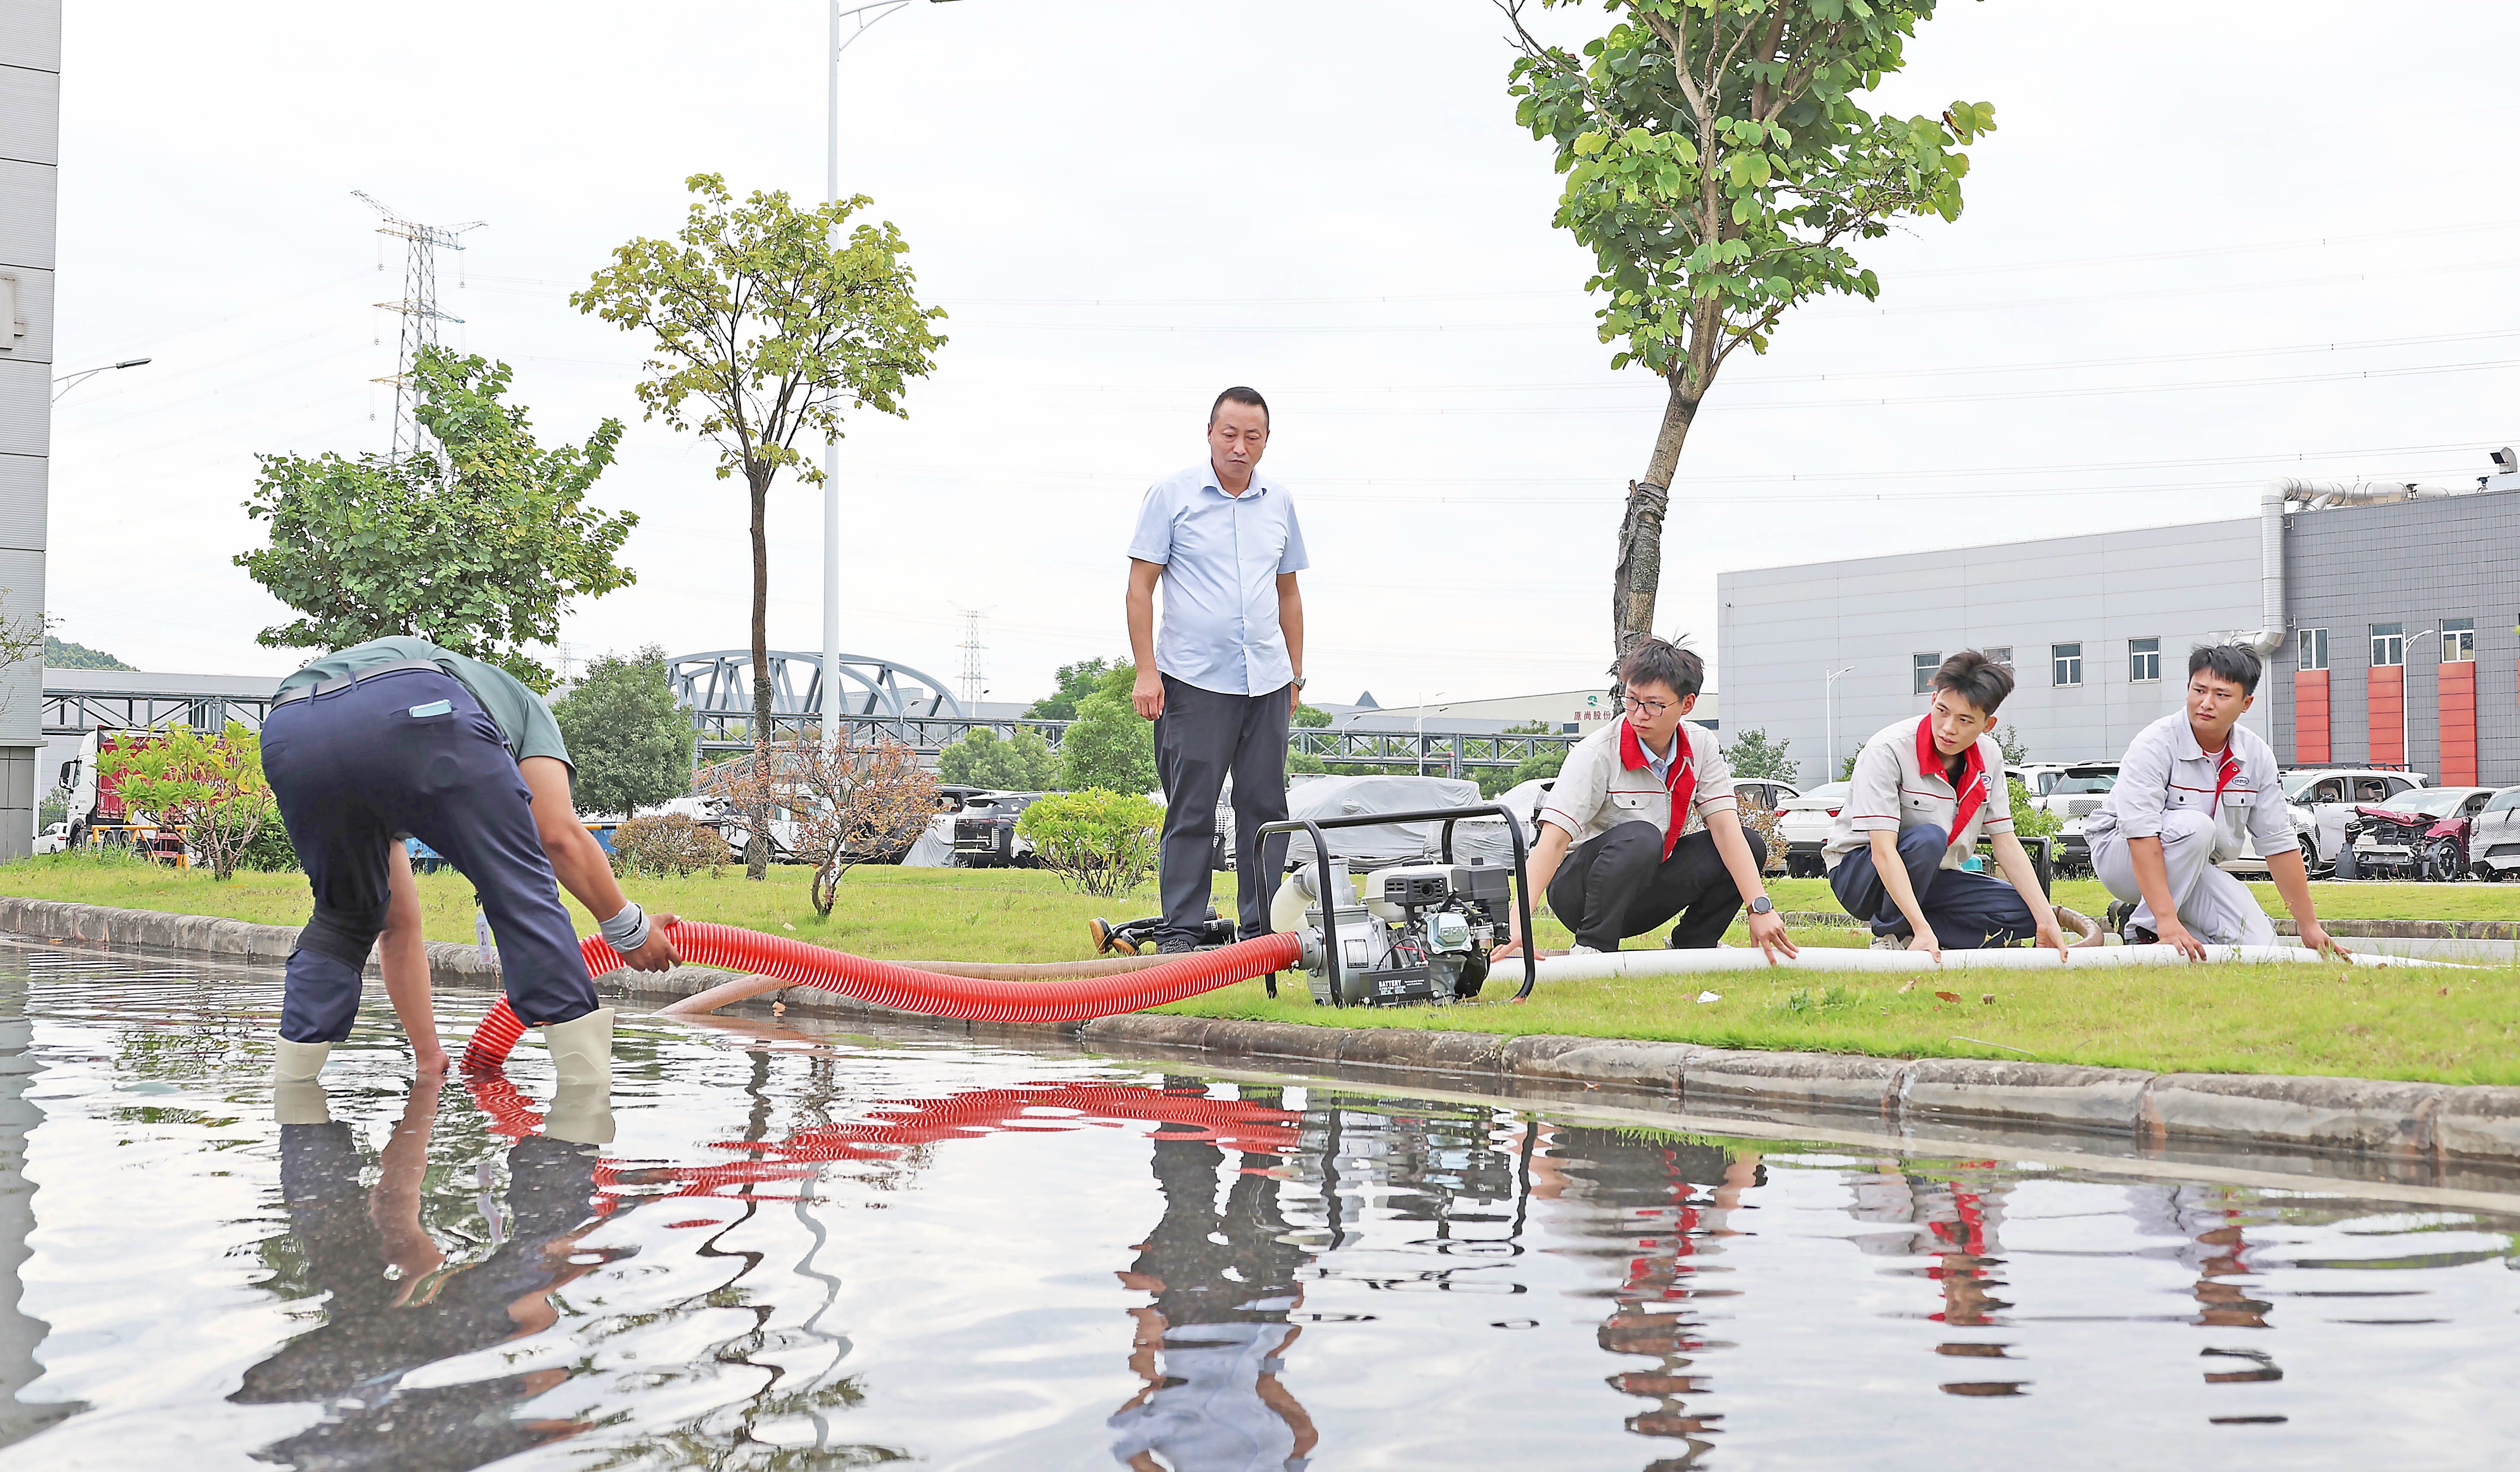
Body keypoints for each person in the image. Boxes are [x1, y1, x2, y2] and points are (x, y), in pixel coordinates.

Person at [259, 635, 681, 1092]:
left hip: (292, 729)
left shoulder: (380, 762)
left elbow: (396, 926)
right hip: (420, 708)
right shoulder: (527, 706)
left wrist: (429, 1057)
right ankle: (586, 1111)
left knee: (347, 915)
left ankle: (292, 1096)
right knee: (519, 892)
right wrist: (630, 930)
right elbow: (557, 834)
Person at [1126, 386, 1308, 952]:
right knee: (1192, 807)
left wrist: (1295, 676)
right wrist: (1146, 672)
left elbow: (1289, 594)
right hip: (1192, 681)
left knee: (1265, 809)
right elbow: (1140, 588)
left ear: (1265, 441)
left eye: (1251, 437)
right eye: (1229, 434)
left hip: (1267, 682)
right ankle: (1180, 932)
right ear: (1209, 433)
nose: (1239, 446)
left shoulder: (1278, 502)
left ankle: (1259, 932)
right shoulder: (1171, 496)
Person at [1495, 639, 1794, 960]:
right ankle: (1593, 948)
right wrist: (1516, 925)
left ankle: (1694, 944)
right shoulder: (1596, 753)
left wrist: (1759, 907)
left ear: (1687, 704)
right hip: (1580, 894)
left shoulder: (1702, 745)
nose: (1639, 714)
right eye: (1632, 700)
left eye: (1653, 704)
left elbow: (1725, 830)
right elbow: (1551, 844)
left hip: (1644, 889)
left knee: (1749, 843)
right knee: (1641, 836)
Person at [2087, 643, 2346, 958]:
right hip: (2123, 858)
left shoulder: (2256, 755)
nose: (2205, 703)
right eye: (2199, 690)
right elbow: (2140, 835)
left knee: (2257, 949)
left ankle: (2140, 917)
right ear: (2187, 688)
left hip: (2192, 868)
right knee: (2196, 827)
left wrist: (2309, 927)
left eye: (2221, 695)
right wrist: (2165, 922)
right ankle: (2145, 928)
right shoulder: (2154, 744)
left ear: (2245, 703)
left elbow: (2279, 843)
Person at [1825, 651, 2070, 957]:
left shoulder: (1989, 756)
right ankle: (1892, 933)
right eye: (1942, 711)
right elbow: (1883, 851)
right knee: (1928, 838)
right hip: (1862, 874)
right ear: (1932, 701)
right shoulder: (1888, 749)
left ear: (1988, 724)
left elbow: (2005, 842)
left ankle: (1927, 936)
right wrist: (1919, 926)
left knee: (2025, 912)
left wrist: (2046, 919)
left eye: (1964, 720)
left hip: (1935, 876)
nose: (1947, 728)